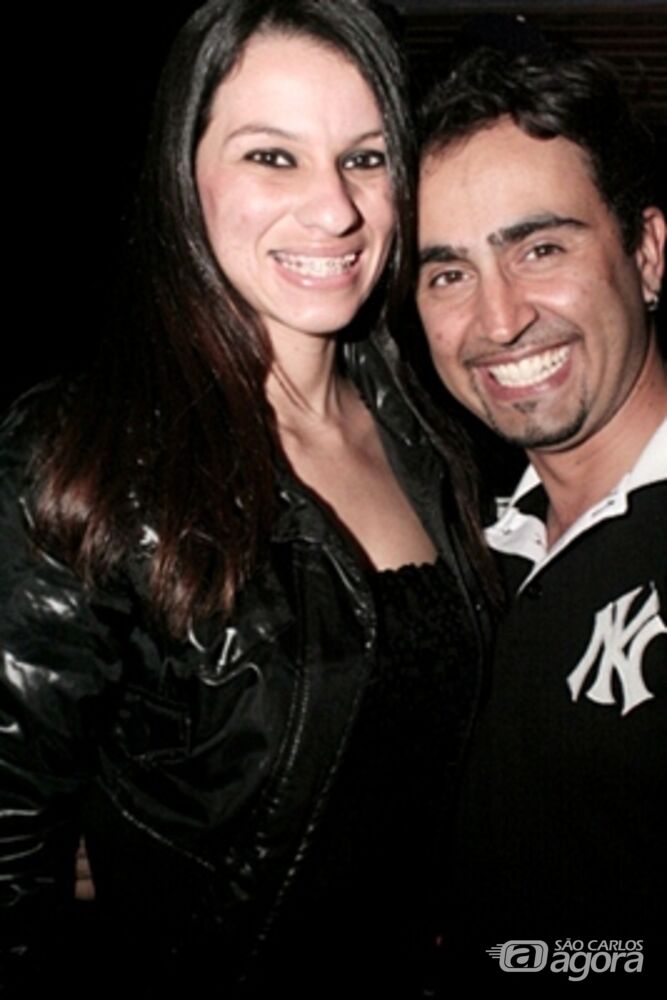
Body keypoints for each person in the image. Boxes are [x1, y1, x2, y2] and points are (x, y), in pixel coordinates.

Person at [0, 1, 492, 996]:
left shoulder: (432, 428)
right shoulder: (89, 455)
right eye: (273, 157)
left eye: (364, 158)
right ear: (184, 174)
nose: (334, 209)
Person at [416, 42, 666, 980]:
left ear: (646, 253)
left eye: (540, 248)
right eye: (447, 273)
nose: (499, 320)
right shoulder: (458, 552)